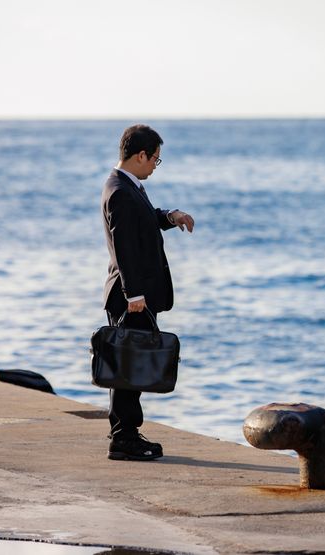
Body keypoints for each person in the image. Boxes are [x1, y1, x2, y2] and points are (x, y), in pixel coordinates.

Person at [100, 124, 194, 461]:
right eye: (155, 158)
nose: (156, 165)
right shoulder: (120, 191)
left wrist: (170, 216)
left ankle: (125, 433)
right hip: (130, 298)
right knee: (129, 368)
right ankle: (124, 438)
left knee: (130, 365)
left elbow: (144, 219)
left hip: (132, 296)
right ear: (140, 155)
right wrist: (134, 294)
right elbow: (124, 245)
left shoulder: (126, 186)